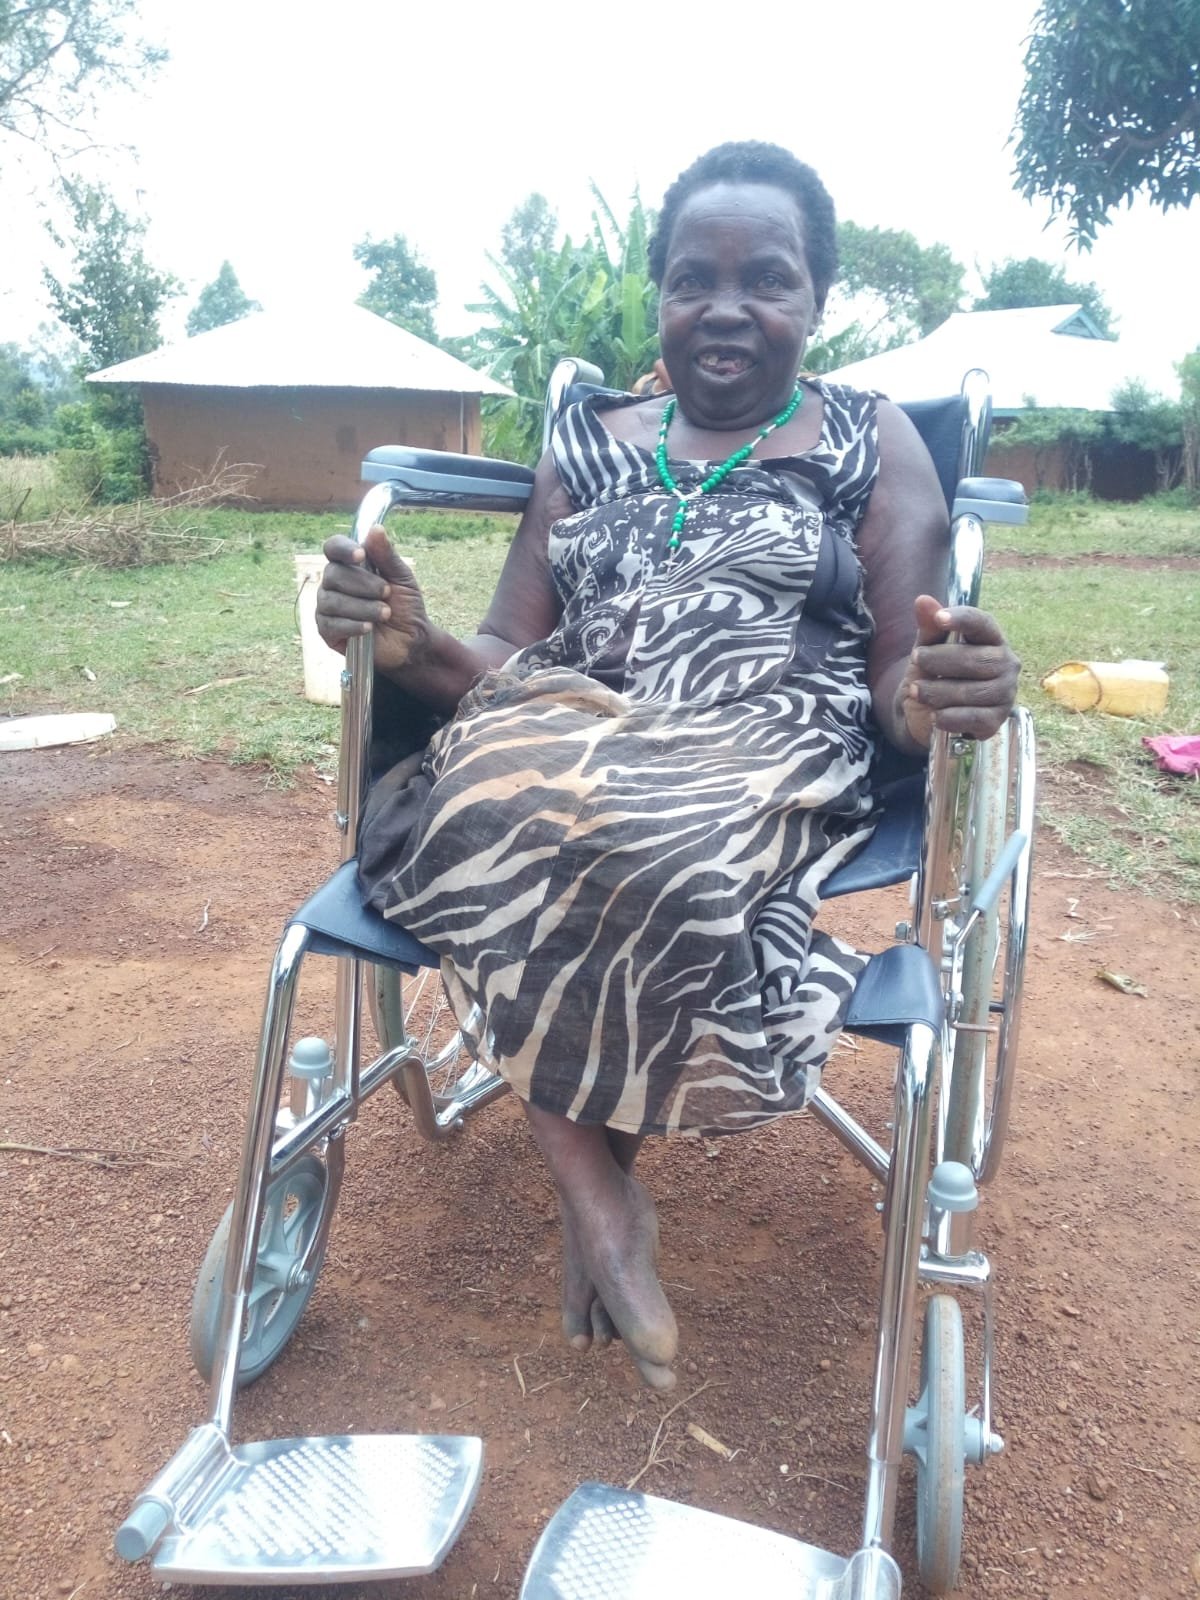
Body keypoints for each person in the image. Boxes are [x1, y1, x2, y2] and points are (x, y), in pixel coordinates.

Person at [315, 142, 1020, 1393]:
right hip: (556, 728)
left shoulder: (872, 438)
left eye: (770, 279)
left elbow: (889, 680)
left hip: (762, 742)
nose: (729, 306)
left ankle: (593, 1157)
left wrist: (934, 696)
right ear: (660, 297)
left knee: (642, 832)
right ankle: (598, 1185)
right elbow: (508, 661)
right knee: (491, 779)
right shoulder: (586, 445)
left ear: (816, 299)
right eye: (695, 277)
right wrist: (412, 645)